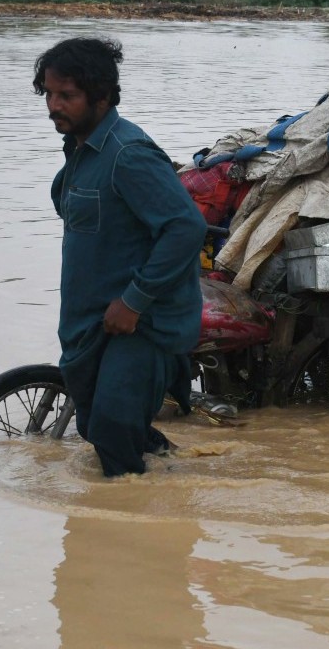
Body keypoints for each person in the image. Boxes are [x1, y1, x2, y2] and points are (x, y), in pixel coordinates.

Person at [33, 37, 206, 476]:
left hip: (139, 323)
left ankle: (136, 528)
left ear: (102, 96)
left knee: (110, 429)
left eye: (67, 96)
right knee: (97, 425)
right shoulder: (79, 152)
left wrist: (134, 299)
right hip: (90, 321)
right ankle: (168, 472)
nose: (54, 105)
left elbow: (185, 228)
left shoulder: (128, 154)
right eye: (49, 94)